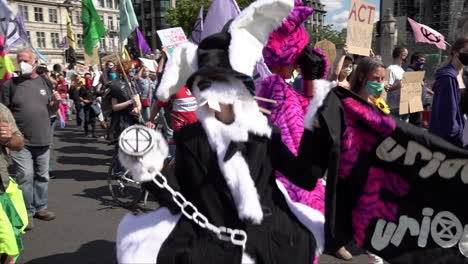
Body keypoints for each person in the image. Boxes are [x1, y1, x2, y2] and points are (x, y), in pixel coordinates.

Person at [117, 1, 323, 262]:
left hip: (269, 246)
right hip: (213, 249)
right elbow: (177, 197)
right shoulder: (191, 140)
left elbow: (305, 177)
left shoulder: (264, 134)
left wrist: (319, 137)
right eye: (205, 84)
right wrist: (147, 169)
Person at [0, 48, 61, 230]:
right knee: (25, 176)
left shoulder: (44, 81)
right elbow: (4, 112)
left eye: (25, 60)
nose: (22, 64)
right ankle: (27, 211)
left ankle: (41, 207)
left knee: (42, 176)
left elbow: (50, 108)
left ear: (35, 63)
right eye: (19, 61)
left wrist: (57, 102)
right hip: (20, 142)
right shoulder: (10, 85)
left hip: (43, 138)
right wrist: (7, 138)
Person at [0, 103, 27, 263]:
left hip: (2, 185)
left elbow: (19, 143)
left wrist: (8, 138)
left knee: (9, 242)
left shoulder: (1, 110)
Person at [429, 37, 468, 147]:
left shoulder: (464, 75)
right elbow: (447, 118)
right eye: (467, 52)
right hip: (451, 142)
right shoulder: (447, 77)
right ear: (455, 52)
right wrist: (460, 136)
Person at [404, 52, 433, 127]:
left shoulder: (418, 72)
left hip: (419, 103)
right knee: (416, 123)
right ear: (414, 61)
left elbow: (424, 87)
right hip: (413, 103)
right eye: (421, 60)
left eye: (424, 61)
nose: (423, 62)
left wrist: (432, 92)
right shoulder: (409, 71)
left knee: (418, 123)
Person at [385, 46, 408, 117]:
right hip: (393, 108)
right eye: (406, 55)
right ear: (402, 55)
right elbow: (386, 89)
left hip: (402, 106)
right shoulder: (390, 69)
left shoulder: (401, 70)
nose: (407, 57)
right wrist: (397, 86)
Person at [79, 72, 98, 137]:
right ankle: (86, 131)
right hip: (86, 106)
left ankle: (94, 133)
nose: (88, 79)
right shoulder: (83, 87)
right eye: (86, 78)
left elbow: (96, 95)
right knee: (86, 119)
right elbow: (79, 97)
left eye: (89, 77)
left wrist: (94, 99)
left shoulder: (93, 87)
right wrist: (84, 100)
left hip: (92, 105)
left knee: (93, 119)